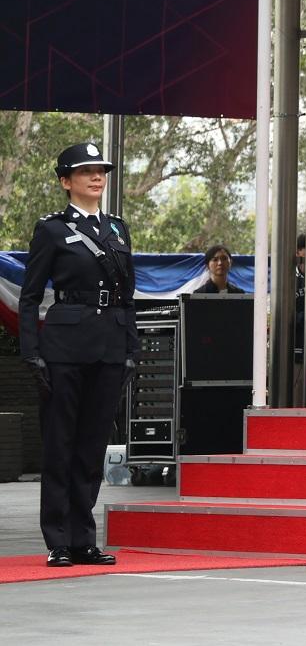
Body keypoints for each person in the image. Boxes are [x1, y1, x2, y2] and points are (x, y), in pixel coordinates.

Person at [18, 142, 136, 569]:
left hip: (108, 347)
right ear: (66, 182)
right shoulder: (51, 230)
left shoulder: (118, 230)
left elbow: (127, 297)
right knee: (60, 444)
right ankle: (58, 540)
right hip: (64, 349)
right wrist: (31, 353)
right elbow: (29, 297)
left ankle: (85, 538)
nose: (96, 177)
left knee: (91, 446)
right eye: (85, 171)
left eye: (101, 170)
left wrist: (131, 350)